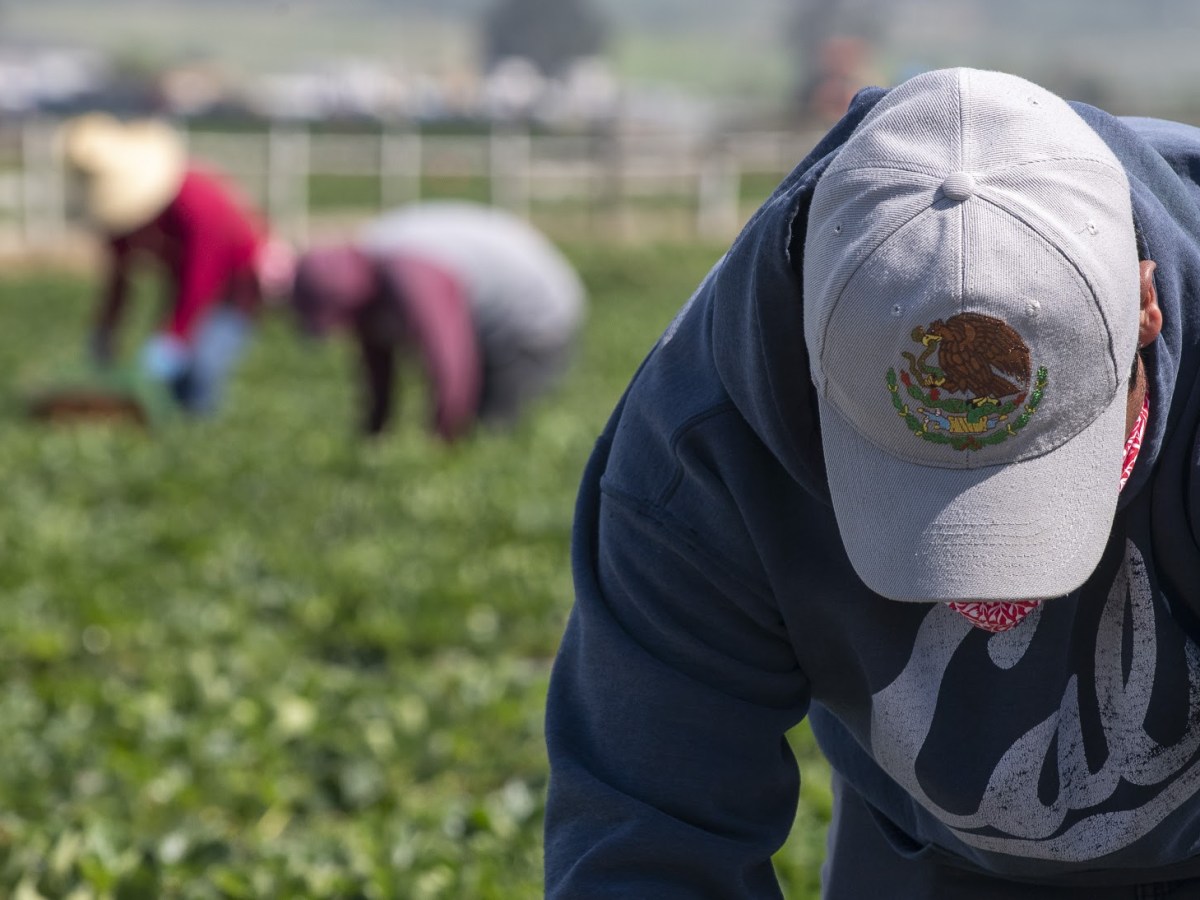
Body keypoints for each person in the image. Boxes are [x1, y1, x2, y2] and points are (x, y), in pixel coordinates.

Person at [543, 67, 1200, 898]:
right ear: (811, 347)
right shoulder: (699, 460)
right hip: (921, 857)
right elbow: (648, 833)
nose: (989, 590)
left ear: (1146, 305)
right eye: (918, 486)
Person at [288, 201, 586, 439]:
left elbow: (450, 361)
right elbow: (376, 356)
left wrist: (440, 445)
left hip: (533, 320)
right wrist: (374, 432)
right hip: (484, 315)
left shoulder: (412, 275)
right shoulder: (367, 269)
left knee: (489, 428)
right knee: (471, 422)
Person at [61, 113, 291, 414]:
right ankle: (172, 426)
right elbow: (119, 277)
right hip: (183, 280)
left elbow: (203, 279)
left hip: (239, 283)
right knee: (172, 378)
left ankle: (201, 433)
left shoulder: (198, 202)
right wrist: (106, 329)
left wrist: (172, 340)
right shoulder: (123, 219)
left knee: (202, 367)